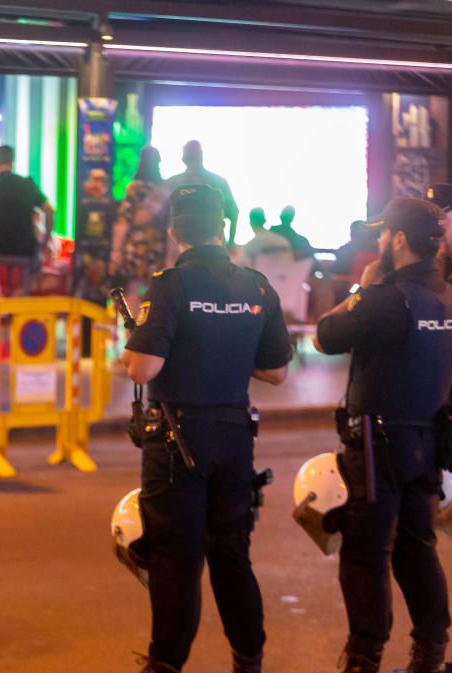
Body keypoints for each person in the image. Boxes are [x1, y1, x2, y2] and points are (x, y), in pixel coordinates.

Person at [121, 184, 292, 673]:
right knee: (232, 554)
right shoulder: (256, 286)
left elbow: (142, 369)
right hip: (235, 437)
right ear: (221, 228)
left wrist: (135, 349)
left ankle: (166, 664)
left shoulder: (170, 286)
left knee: (176, 561)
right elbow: (277, 371)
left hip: (178, 442)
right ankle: (249, 659)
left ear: (175, 232)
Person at [313, 197, 452, 673]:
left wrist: (360, 289)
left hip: (377, 446)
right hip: (429, 442)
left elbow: (324, 336)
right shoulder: (448, 295)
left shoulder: (385, 300)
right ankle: (430, 651)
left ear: (396, 240)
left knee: (365, 553)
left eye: (381, 234)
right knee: (418, 547)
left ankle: (363, 658)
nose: (376, 242)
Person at [110, 145, 169, 305]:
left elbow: (123, 221)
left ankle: (134, 329)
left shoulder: (134, 189)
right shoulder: (163, 190)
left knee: (133, 289)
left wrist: (116, 250)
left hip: (135, 248)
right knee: (154, 292)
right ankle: (149, 326)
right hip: (157, 248)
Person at [0, 145, 54, 259]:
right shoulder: (28, 185)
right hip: (27, 251)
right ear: (13, 161)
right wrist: (46, 240)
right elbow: (49, 210)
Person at [165, 140, 240, 246]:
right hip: (214, 252)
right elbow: (234, 214)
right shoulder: (218, 182)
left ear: (183, 159)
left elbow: (157, 221)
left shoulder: (171, 183)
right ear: (201, 156)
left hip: (178, 252)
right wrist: (230, 244)